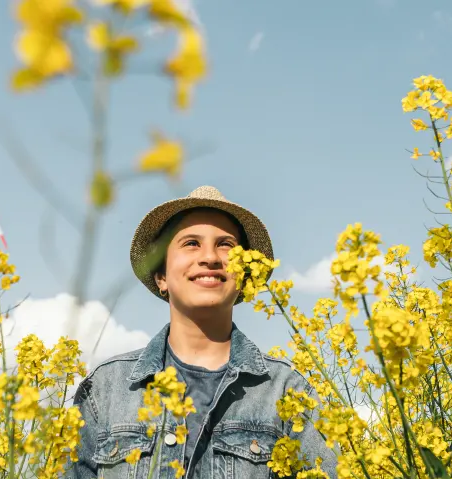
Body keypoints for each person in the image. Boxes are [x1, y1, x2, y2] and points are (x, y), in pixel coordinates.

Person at [65, 185, 338, 479]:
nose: (210, 257)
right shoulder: (105, 389)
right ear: (161, 276)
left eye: (226, 245)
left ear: (246, 276)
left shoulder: (288, 390)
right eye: (191, 243)